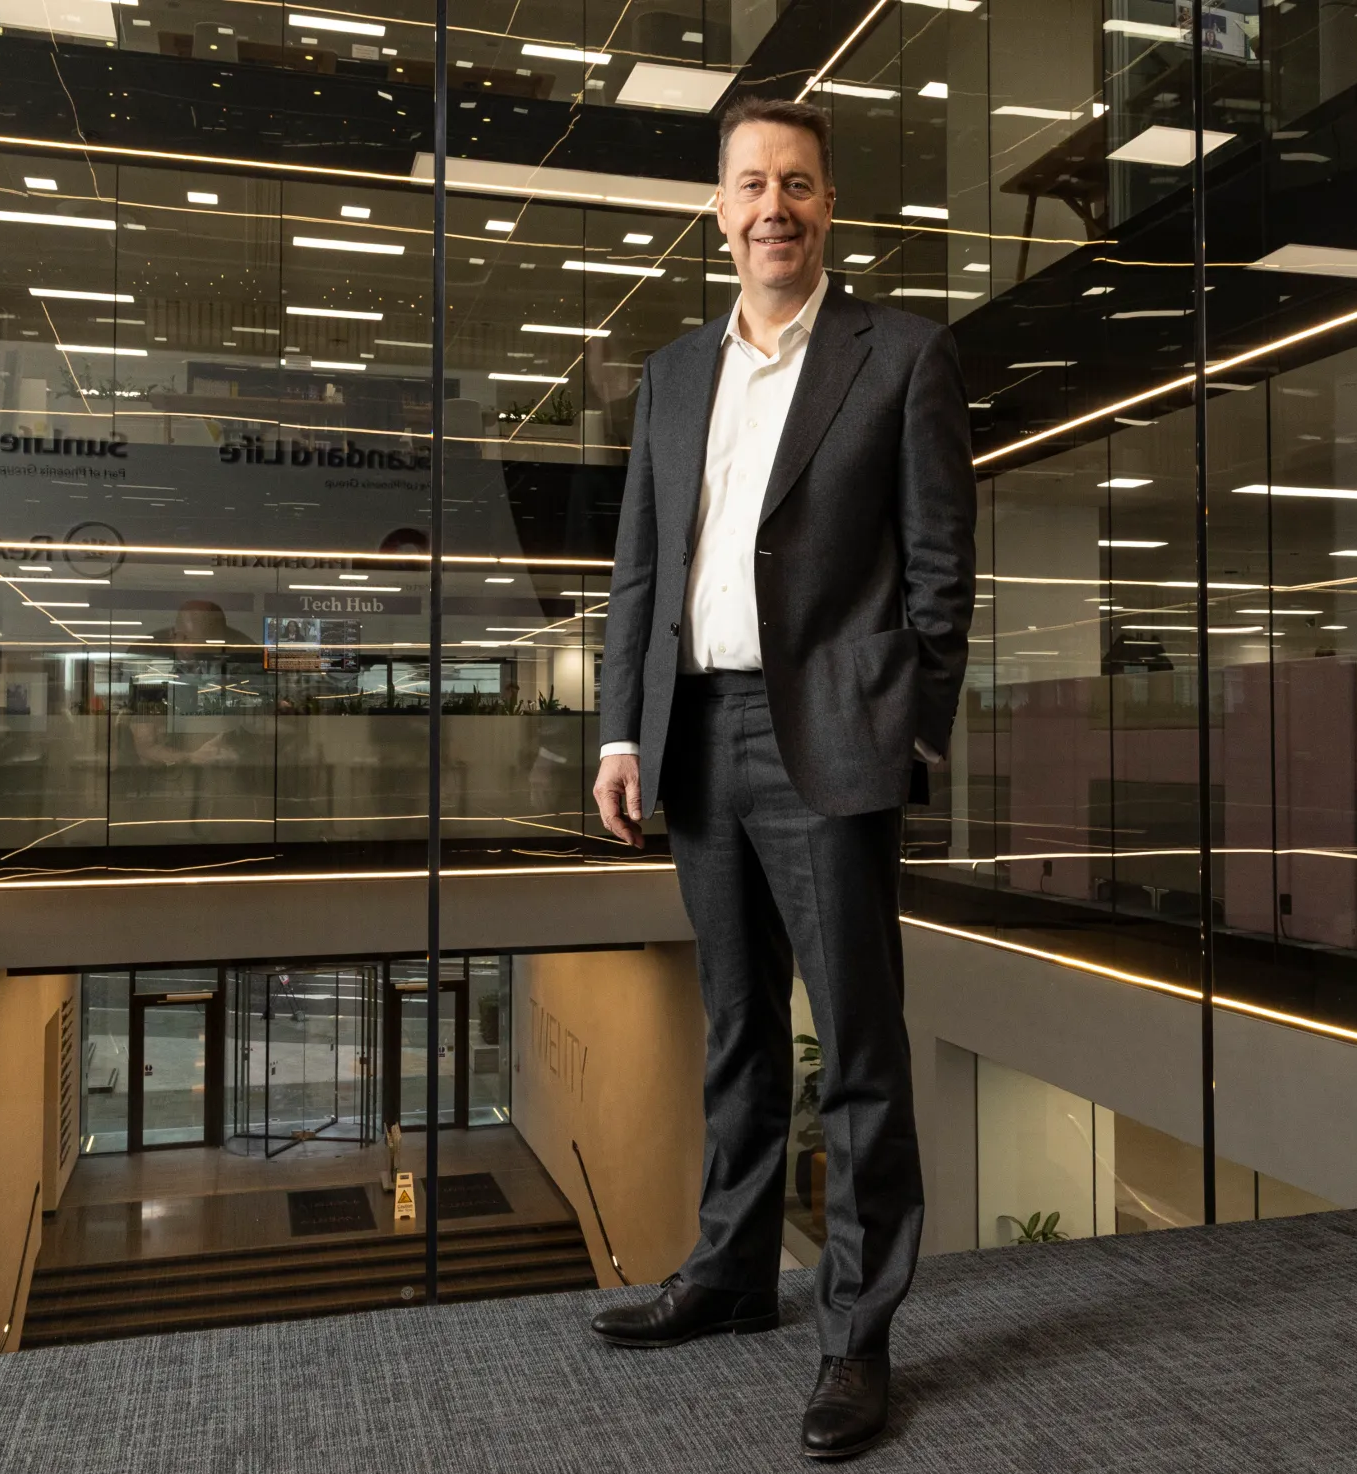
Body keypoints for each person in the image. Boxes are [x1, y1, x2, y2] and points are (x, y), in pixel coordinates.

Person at [587, 95, 975, 1461]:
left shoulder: (902, 358)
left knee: (858, 1052)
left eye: (798, 184)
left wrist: (911, 726)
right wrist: (619, 732)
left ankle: (858, 1339)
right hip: (693, 731)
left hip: (832, 740)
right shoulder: (673, 371)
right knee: (741, 1028)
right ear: (718, 209)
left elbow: (941, 576)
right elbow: (643, 567)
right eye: (751, 184)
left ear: (828, 207)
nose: (774, 208)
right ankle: (734, 1270)